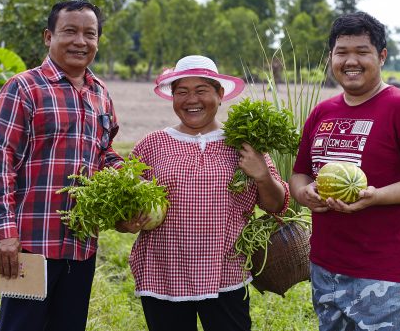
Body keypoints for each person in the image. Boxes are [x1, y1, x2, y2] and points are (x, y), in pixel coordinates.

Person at [290, 12, 400, 331]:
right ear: (331, 57)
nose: (351, 61)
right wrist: (303, 193)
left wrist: (376, 196)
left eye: (362, 52)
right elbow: (300, 174)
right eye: (342, 52)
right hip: (325, 263)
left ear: (381, 56)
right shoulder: (323, 112)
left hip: (382, 268)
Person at [116, 55, 289, 331]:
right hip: (164, 273)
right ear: (172, 98)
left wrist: (262, 174)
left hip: (226, 274)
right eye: (181, 92)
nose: (191, 99)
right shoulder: (152, 145)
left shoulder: (244, 144)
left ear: (220, 94)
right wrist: (125, 223)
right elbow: (121, 213)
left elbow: (276, 205)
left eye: (201, 90)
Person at [0, 0, 124, 331]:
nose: (80, 41)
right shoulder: (22, 89)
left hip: (81, 245)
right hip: (30, 245)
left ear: (98, 41)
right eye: (69, 31)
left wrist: (130, 182)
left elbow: (105, 155)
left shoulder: (100, 93)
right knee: (20, 327)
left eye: (90, 33)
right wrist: (4, 232)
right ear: (49, 36)